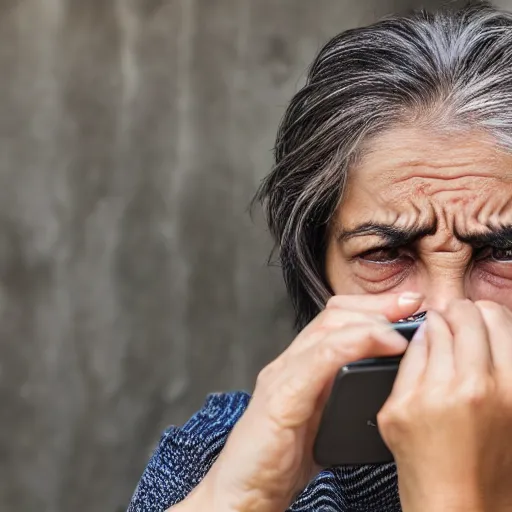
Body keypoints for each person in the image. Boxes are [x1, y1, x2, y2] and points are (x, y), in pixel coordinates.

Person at [128, 2, 512, 511]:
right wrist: (245, 494)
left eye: (503, 252)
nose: (445, 313)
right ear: (319, 270)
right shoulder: (218, 454)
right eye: (386, 253)